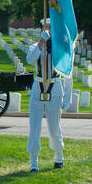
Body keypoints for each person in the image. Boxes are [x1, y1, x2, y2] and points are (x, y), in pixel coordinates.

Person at [25, 21, 67, 172]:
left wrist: (67, 96)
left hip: (55, 87)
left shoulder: (60, 48)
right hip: (38, 86)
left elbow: (67, 71)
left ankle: (58, 156)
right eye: (46, 27)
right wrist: (41, 42)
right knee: (34, 127)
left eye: (51, 27)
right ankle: (33, 162)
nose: (48, 30)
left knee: (54, 127)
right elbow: (30, 59)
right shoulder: (35, 46)